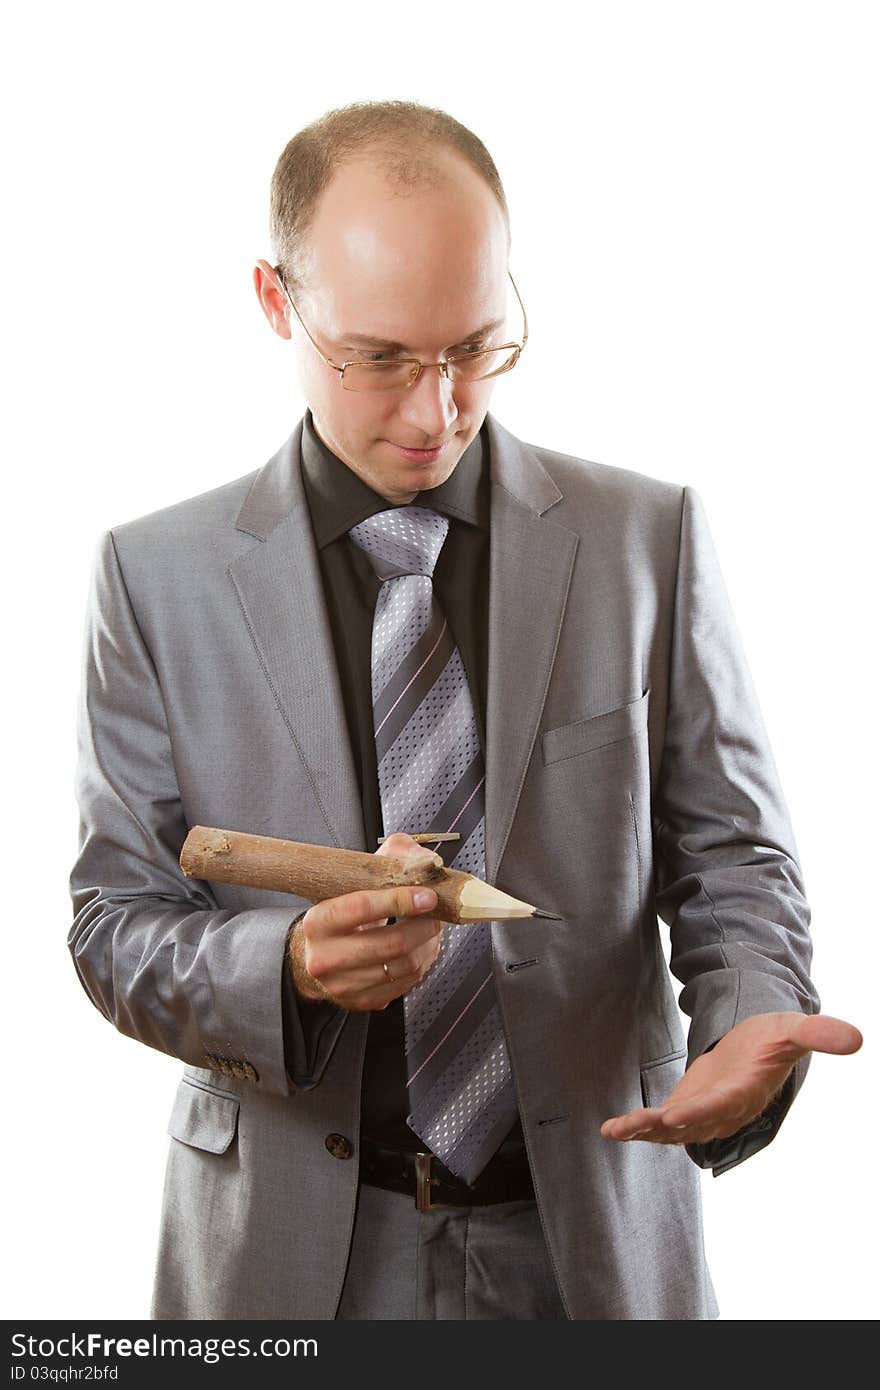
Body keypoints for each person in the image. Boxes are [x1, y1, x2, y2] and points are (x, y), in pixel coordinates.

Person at [68, 99, 861, 1322]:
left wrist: (751, 1018)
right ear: (278, 304)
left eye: (478, 349)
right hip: (285, 1258)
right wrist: (282, 967)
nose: (436, 412)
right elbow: (114, 922)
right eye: (380, 357)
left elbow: (733, 858)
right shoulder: (151, 574)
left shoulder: (646, 539)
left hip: (594, 1229)